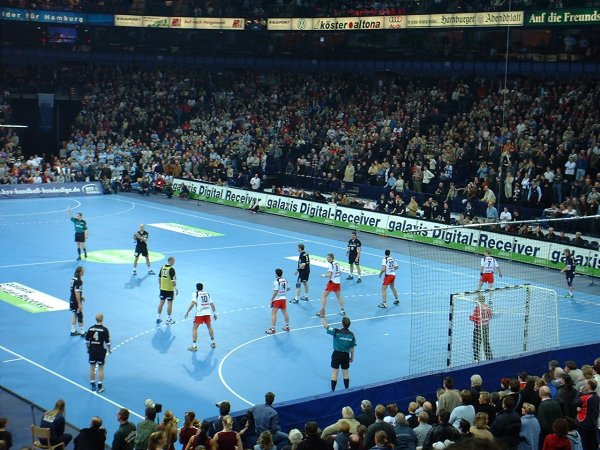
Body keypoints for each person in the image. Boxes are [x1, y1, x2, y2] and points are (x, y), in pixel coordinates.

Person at [321, 315, 356, 391]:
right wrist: (351, 357)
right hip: (345, 355)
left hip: (336, 354)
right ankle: (347, 390)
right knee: (345, 372)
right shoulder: (351, 335)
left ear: (342, 324)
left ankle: (333, 391)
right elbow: (352, 347)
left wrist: (322, 317)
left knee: (334, 372)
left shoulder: (336, 331)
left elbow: (325, 326)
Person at [184, 283, 217, 350]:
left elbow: (192, 304)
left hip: (200, 314)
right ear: (202, 287)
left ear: (196, 288)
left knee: (194, 329)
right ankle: (213, 342)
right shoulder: (207, 294)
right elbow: (212, 304)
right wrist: (215, 313)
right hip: (207, 313)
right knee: (209, 327)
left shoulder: (195, 294)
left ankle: (194, 346)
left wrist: (187, 312)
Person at [85, 312, 111, 393]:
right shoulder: (105, 329)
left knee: (92, 368)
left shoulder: (90, 329)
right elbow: (108, 342)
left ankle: (93, 384)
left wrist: (88, 349)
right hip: (100, 351)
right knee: (101, 368)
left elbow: (87, 341)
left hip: (92, 350)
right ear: (102, 319)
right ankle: (100, 386)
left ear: (95, 319)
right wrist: (109, 349)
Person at [318, 253, 346, 318]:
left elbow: (329, 274)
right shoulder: (337, 263)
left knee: (324, 296)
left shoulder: (330, 265)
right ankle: (342, 310)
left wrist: (323, 275)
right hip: (338, 282)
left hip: (332, 282)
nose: (326, 259)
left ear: (331, 258)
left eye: (327, 257)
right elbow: (340, 272)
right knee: (339, 296)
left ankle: (322, 312)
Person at [469, 293, 493, 362]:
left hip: (478, 327)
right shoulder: (487, 307)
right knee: (486, 342)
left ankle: (476, 359)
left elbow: (476, 318)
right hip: (486, 326)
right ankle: (489, 358)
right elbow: (490, 315)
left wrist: (471, 317)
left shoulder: (478, 308)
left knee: (476, 343)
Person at [265, 269, 290, 335]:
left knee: (273, 314)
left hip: (277, 299)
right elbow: (288, 288)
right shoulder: (285, 280)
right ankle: (287, 326)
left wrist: (271, 299)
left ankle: (273, 329)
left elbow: (275, 291)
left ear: (276, 274)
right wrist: (283, 291)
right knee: (285, 313)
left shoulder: (276, 281)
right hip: (284, 298)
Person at [157, 256, 177, 325]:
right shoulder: (171, 269)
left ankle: (158, 318)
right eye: (174, 260)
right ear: (170, 261)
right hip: (169, 289)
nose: (174, 262)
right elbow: (173, 280)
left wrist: (160, 286)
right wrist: (176, 288)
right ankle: (168, 319)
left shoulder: (162, 267)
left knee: (161, 303)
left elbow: (159, 278)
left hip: (162, 288)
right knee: (169, 303)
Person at [70, 266, 86, 337]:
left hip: (72, 299)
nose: (84, 272)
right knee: (80, 315)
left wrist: (81, 296)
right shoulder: (79, 281)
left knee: (75, 314)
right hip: (76, 301)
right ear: (79, 272)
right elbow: (77, 292)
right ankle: (82, 332)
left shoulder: (73, 279)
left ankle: (72, 330)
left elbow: (74, 291)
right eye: (83, 271)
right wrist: (79, 304)